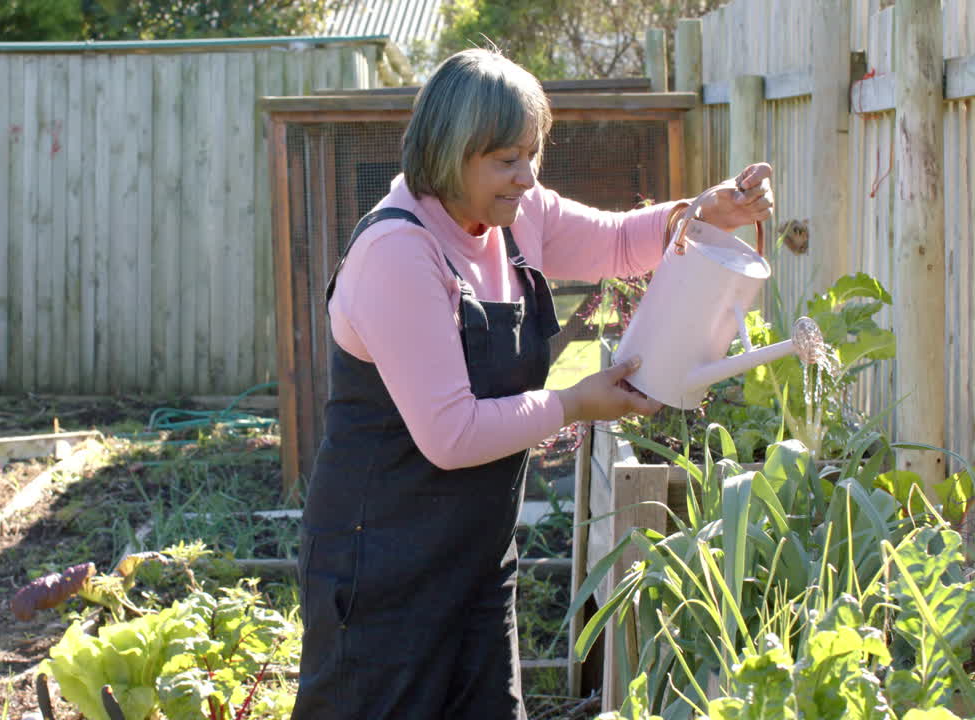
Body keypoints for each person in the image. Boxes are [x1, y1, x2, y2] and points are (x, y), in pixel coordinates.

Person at [290, 48, 773, 720]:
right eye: (504, 160)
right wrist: (576, 404)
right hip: (381, 572)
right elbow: (452, 435)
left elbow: (618, 241)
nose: (525, 176)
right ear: (449, 152)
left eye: (531, 154)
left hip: (477, 560)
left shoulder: (516, 218)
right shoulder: (399, 252)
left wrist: (699, 214)